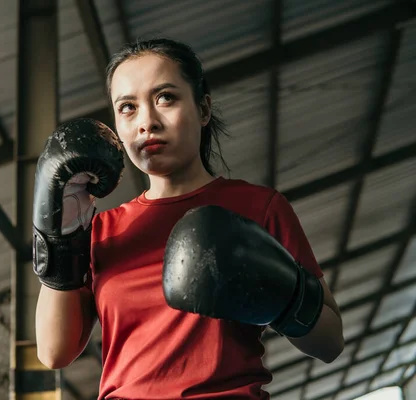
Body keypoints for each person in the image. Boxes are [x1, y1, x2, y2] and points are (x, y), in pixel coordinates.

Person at [33, 38, 344, 399]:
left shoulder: (258, 206)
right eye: (128, 108)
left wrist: (283, 294)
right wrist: (61, 238)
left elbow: (331, 342)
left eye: (165, 97)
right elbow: (55, 352)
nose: (147, 122)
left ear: (204, 109)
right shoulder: (101, 230)